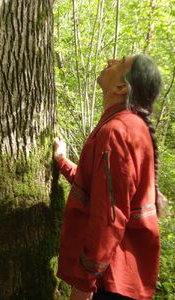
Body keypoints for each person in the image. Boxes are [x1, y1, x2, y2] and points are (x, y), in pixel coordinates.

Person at [53, 54, 166, 300]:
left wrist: (84, 282)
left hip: (111, 281)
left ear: (121, 87)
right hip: (121, 276)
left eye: (120, 61)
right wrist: (63, 162)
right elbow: (102, 189)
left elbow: (109, 217)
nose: (110, 60)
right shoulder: (129, 126)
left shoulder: (117, 132)